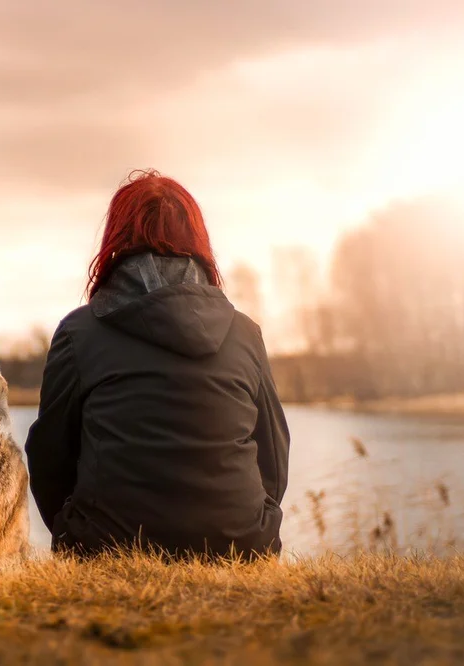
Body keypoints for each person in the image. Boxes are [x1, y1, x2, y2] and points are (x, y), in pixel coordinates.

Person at [24, 169, 290, 560]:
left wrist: (73, 529)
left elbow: (49, 455)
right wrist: (253, 523)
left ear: (116, 239)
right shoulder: (245, 333)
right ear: (197, 240)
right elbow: (274, 453)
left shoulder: (79, 332)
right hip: (241, 546)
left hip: (106, 547)